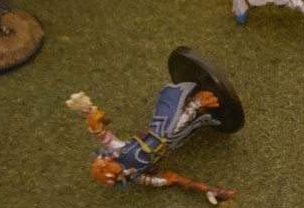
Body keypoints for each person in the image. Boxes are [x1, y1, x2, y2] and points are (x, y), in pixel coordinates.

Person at [66, 85, 236, 201]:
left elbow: (106, 137)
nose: (105, 162)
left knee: (173, 126)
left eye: (103, 163)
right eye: (104, 168)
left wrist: (94, 122)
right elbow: (149, 180)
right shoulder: (135, 175)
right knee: (184, 130)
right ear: (112, 176)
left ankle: (197, 102)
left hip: (158, 132)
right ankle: (201, 111)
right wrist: (165, 181)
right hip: (168, 146)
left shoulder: (120, 152)